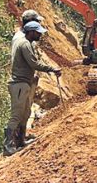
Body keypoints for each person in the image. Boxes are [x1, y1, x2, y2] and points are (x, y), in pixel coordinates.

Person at [5, 21, 61, 156]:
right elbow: (33, 63)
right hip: (19, 83)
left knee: (25, 114)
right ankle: (8, 147)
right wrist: (51, 69)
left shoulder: (27, 43)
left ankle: (21, 141)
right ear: (30, 32)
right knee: (16, 115)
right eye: (37, 32)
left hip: (23, 83)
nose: (39, 35)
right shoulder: (25, 44)